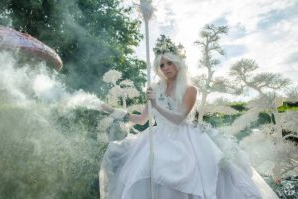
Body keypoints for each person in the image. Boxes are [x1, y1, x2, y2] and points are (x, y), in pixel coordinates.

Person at [99, 35, 279, 199]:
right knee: (144, 174)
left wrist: (156, 105)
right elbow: (142, 120)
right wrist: (114, 111)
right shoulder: (155, 89)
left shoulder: (190, 90)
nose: (166, 68)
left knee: (185, 181)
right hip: (156, 138)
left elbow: (179, 118)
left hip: (186, 141)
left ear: (178, 63)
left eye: (169, 63)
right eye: (161, 65)